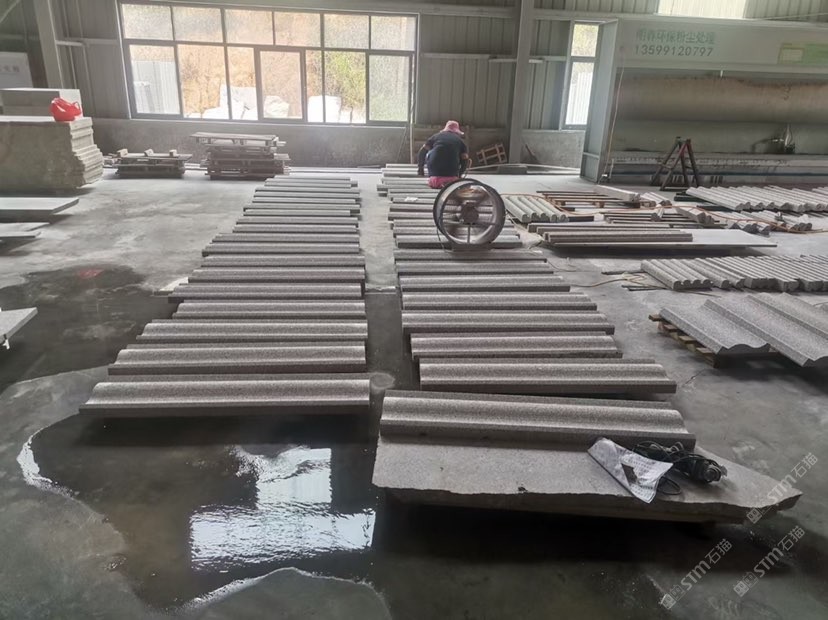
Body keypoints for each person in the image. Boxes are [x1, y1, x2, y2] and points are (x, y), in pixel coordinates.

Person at [417, 120, 470, 189]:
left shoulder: (435, 137)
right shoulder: (460, 141)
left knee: (430, 152)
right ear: (457, 132)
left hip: (434, 180)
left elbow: (422, 152)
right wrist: (459, 175)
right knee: (460, 155)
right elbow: (465, 160)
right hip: (452, 180)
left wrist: (420, 169)